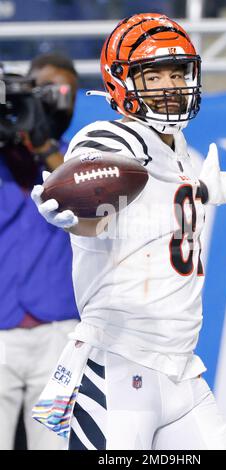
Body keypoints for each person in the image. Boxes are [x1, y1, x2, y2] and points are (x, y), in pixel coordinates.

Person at [31, 14, 226, 450]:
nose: (171, 85)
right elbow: (94, 204)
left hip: (181, 368)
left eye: (178, 72)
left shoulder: (182, 151)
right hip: (119, 363)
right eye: (154, 74)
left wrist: (203, 192)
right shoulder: (115, 139)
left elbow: (155, 221)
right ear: (122, 83)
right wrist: (73, 215)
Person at [0, 53, 79, 450]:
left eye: (63, 93)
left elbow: (83, 200)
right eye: (43, 90)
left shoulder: (73, 159)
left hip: (58, 337)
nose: (52, 102)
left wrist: (44, 143)